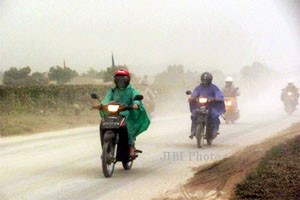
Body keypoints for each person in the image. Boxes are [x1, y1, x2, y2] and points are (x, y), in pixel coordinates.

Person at [97, 69, 150, 156]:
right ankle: (107, 148)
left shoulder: (132, 90)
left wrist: (135, 104)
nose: (120, 81)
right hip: (114, 113)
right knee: (104, 124)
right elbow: (106, 99)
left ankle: (131, 146)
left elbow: (135, 99)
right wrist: (102, 105)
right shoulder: (112, 90)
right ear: (115, 80)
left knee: (128, 128)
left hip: (127, 114)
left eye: (123, 79)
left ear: (127, 80)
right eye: (118, 79)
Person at [189, 72, 225, 139]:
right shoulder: (198, 88)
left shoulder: (214, 87)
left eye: (206, 80)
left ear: (210, 80)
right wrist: (192, 98)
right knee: (194, 115)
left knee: (214, 116)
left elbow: (219, 94)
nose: (205, 82)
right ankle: (193, 131)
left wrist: (217, 98)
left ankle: (214, 131)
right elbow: (194, 94)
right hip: (200, 106)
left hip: (211, 106)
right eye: (203, 80)